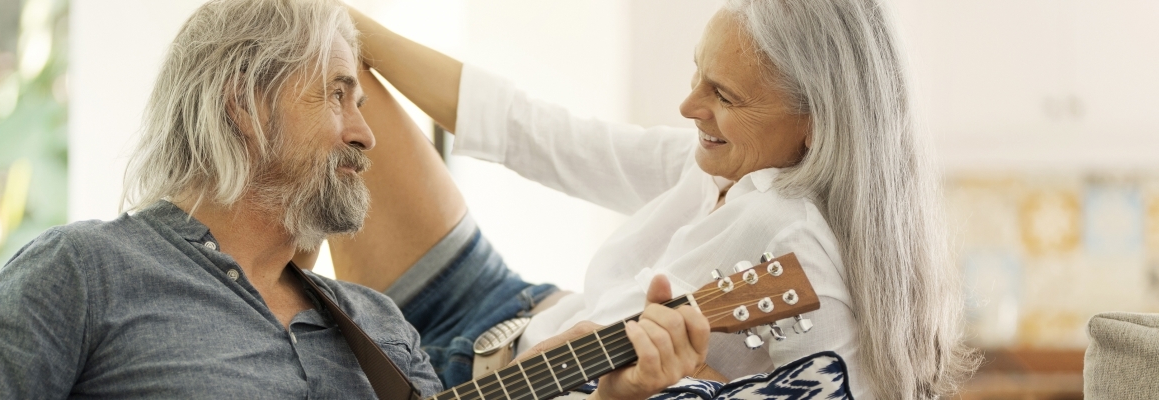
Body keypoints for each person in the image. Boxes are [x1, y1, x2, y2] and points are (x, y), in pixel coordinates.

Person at [0, 0, 708, 398]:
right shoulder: (85, 272)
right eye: (339, 94)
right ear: (244, 104)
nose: (367, 135)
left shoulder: (382, 330)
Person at [323, 0, 980, 398]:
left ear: (818, 123)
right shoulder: (721, 165)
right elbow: (538, 134)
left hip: (493, 379)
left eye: (725, 96)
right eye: (699, 74)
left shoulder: (808, 265)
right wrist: (343, 20)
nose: (689, 106)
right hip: (503, 303)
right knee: (324, 59)